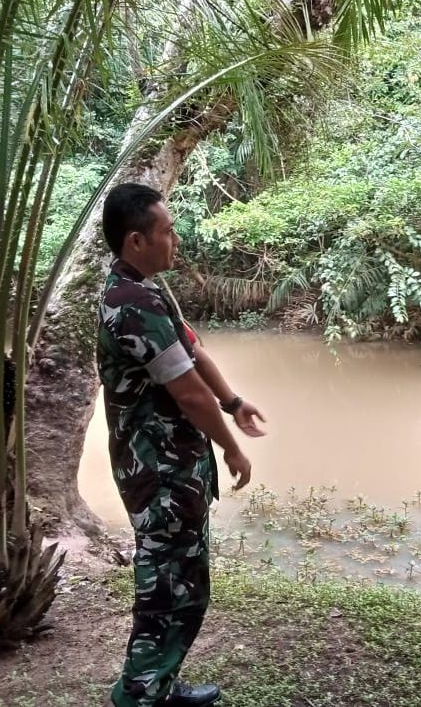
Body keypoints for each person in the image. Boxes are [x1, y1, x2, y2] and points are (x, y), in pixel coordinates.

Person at [98, 182, 266, 707]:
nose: (176, 241)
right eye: (167, 232)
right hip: (159, 474)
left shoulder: (147, 291)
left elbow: (195, 352)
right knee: (167, 588)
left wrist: (234, 402)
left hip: (172, 468)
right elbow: (189, 394)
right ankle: (138, 695)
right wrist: (232, 447)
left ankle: (159, 685)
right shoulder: (131, 304)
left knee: (184, 581)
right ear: (136, 241)